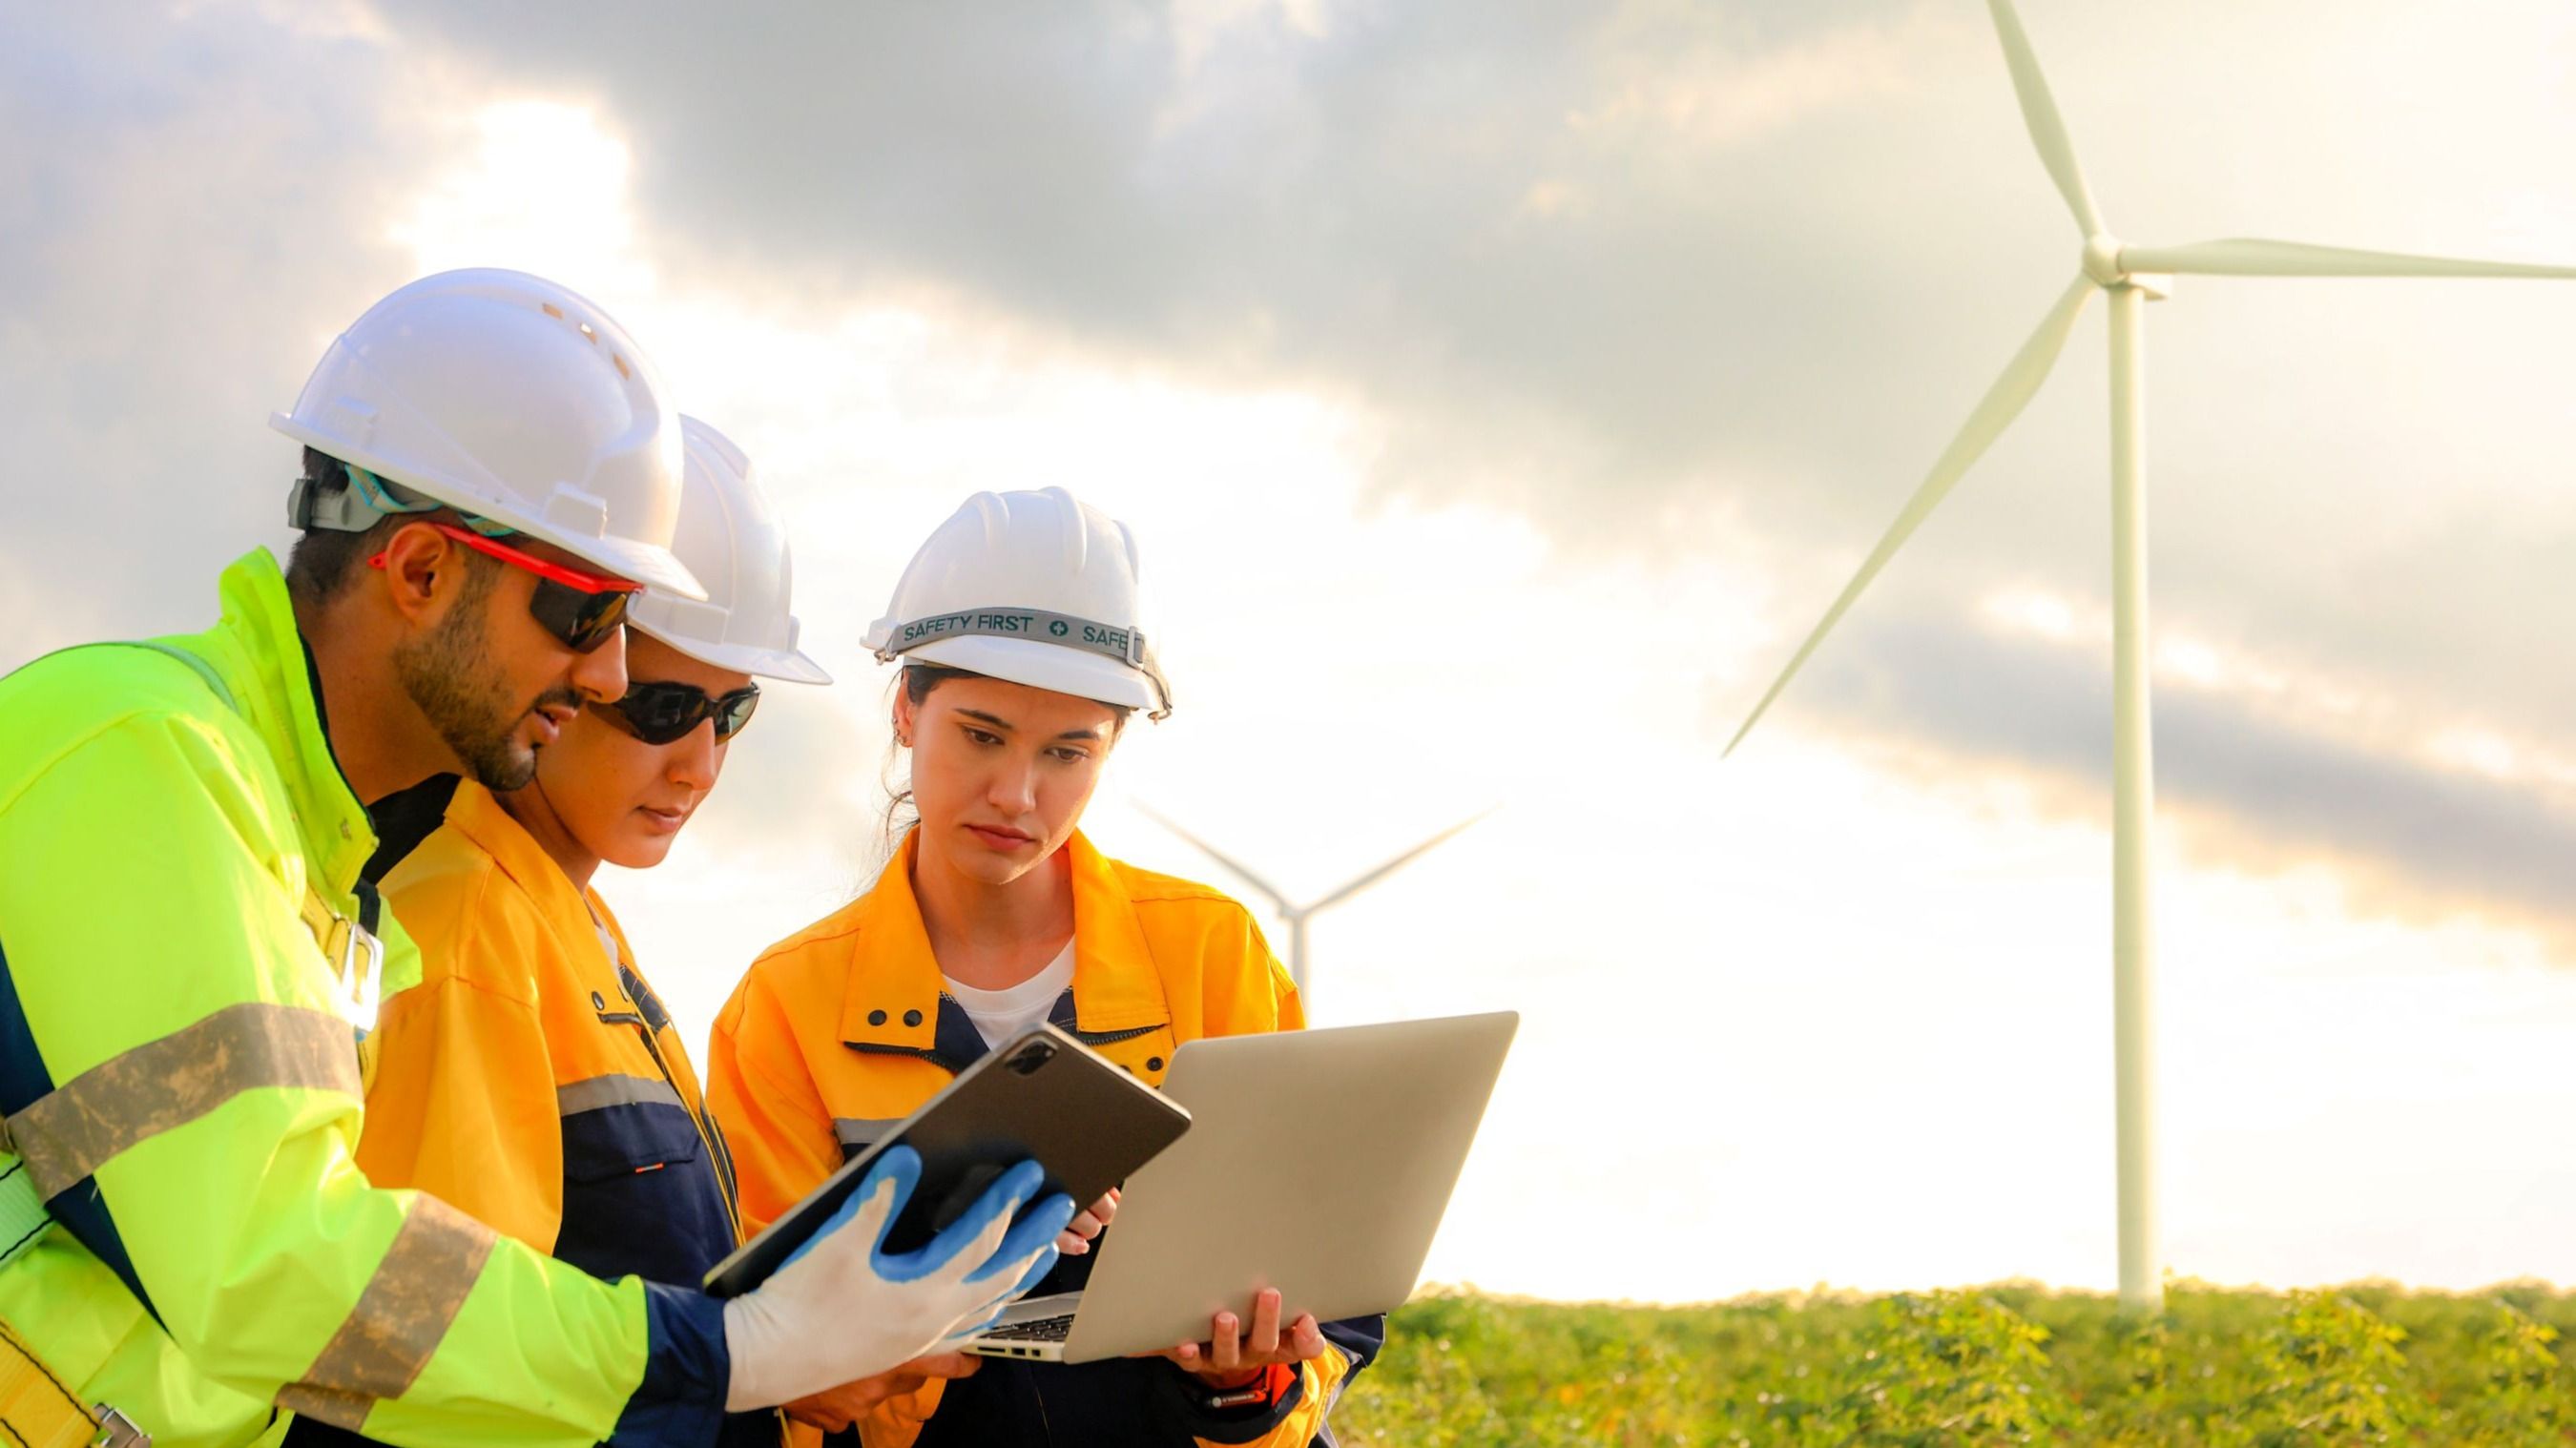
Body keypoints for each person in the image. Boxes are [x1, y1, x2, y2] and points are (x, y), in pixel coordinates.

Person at [0, 271, 1068, 1448]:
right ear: (417, 571)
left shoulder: (323, 857)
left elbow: (368, 1321)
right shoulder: (148, 750)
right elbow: (267, 1265)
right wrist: (726, 1352)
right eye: (584, 618)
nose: (608, 677)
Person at [706, 487, 1383, 1448]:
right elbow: (777, 1364)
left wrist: (1250, 1385)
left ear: (1112, 748)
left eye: (1069, 752)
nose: (1017, 793)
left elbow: (1322, 1293)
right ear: (906, 709)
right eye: (981, 736)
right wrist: (970, 1255)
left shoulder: (1213, 952)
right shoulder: (784, 1006)